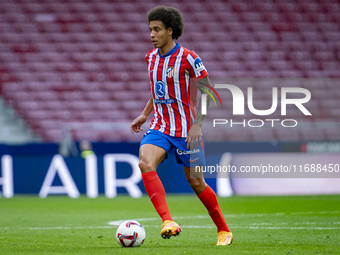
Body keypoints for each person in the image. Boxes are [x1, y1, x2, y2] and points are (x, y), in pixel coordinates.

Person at [130, 6, 232, 246]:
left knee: (196, 183)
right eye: (150, 30)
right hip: (160, 127)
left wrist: (197, 125)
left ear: (170, 30)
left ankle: (223, 230)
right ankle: (167, 221)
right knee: (145, 162)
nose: (152, 34)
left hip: (187, 131)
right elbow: (157, 91)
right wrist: (145, 115)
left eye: (157, 30)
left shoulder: (189, 58)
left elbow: (207, 92)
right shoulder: (151, 58)